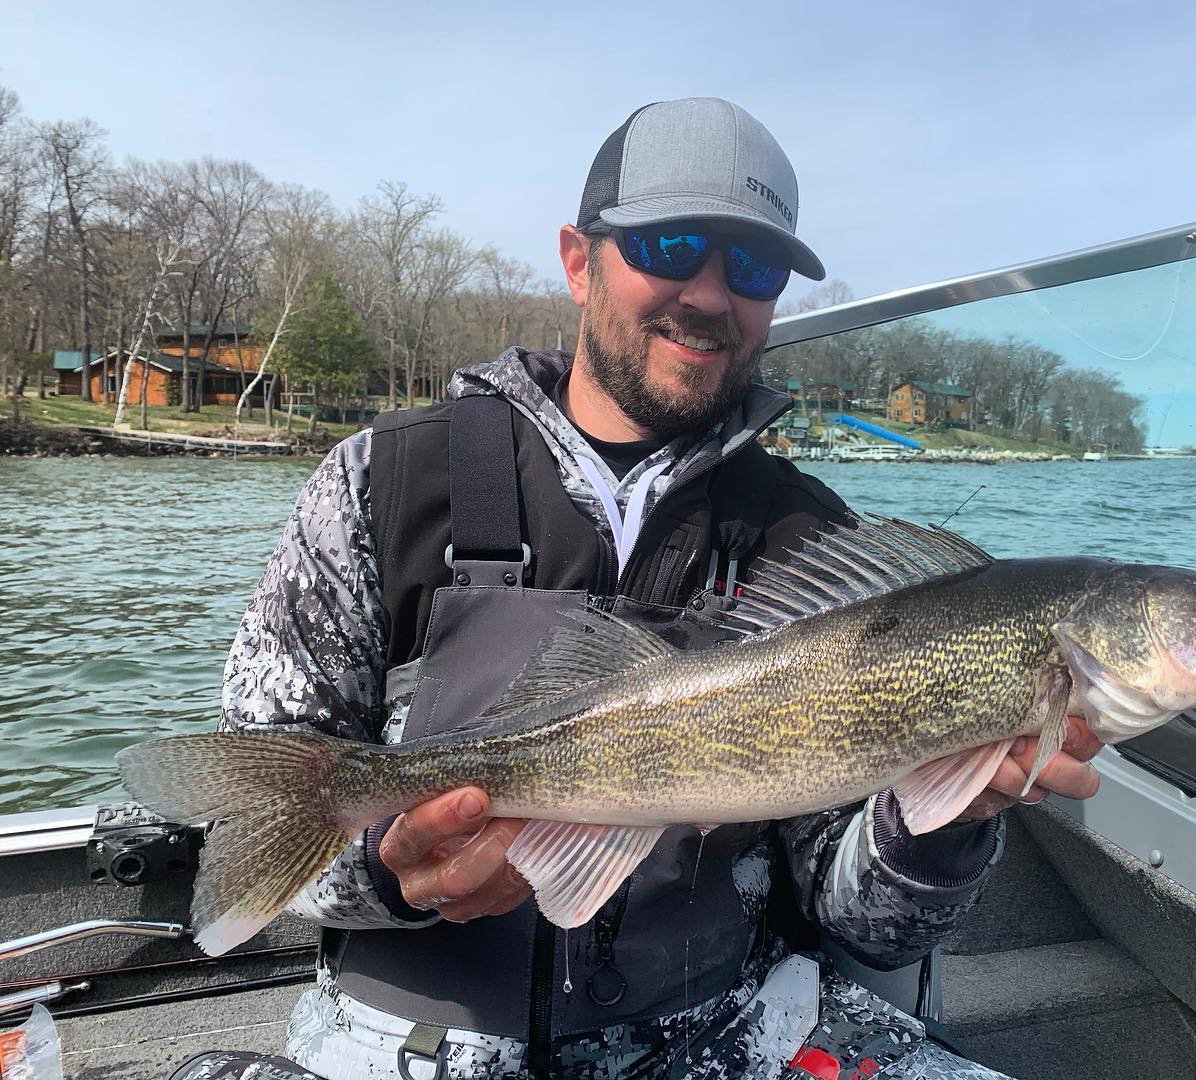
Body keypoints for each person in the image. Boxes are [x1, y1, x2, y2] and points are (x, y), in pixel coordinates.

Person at [199, 97, 1102, 1080]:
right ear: (579, 260)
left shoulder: (819, 542)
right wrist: (389, 871)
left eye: (752, 268)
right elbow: (246, 819)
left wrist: (952, 820)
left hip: (726, 1033)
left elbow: (870, 928)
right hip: (403, 1040)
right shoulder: (381, 482)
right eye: (671, 245)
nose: (710, 296)